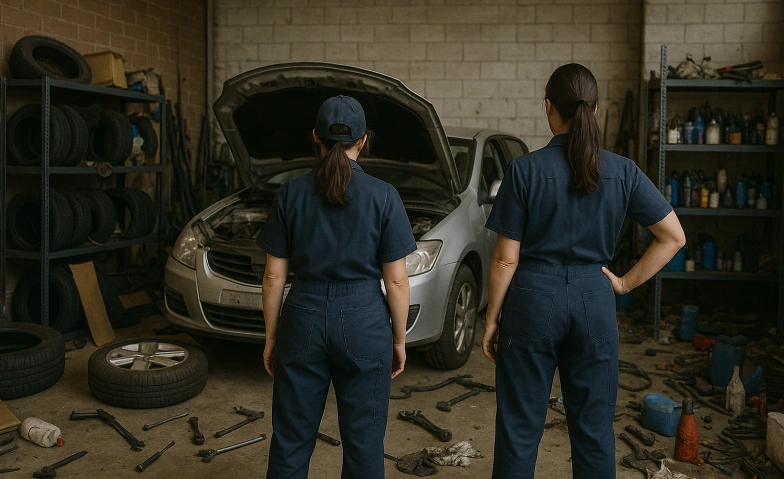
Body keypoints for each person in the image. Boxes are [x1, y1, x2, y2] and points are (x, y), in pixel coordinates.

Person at [482, 64, 685, 479]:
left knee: (519, 428)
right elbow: (673, 237)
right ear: (594, 110)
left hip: (532, 299)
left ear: (548, 108)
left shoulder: (524, 170)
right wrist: (624, 283)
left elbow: (505, 259)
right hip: (595, 299)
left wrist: (491, 320)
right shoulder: (623, 171)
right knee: (594, 431)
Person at [258, 95, 416, 479]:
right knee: (364, 444)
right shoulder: (384, 195)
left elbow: (273, 276)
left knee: (291, 439)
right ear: (363, 140)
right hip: (364, 322)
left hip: (303, 317)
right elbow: (396, 280)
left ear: (316, 137)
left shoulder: (290, 194)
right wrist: (398, 340)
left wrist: (273, 336)